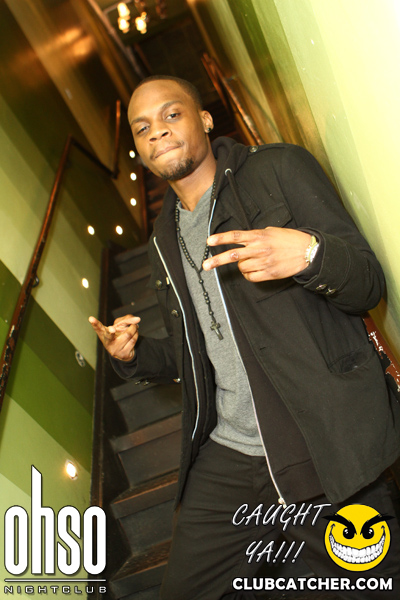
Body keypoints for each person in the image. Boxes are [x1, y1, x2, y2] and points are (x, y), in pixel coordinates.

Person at [89, 75, 400, 599]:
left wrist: (308, 254)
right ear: (138, 150)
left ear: (205, 118)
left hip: (319, 439)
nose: (157, 132)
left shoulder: (277, 170)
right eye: (142, 128)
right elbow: (199, 351)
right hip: (229, 453)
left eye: (171, 114)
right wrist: (134, 355)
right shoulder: (163, 239)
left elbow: (367, 283)